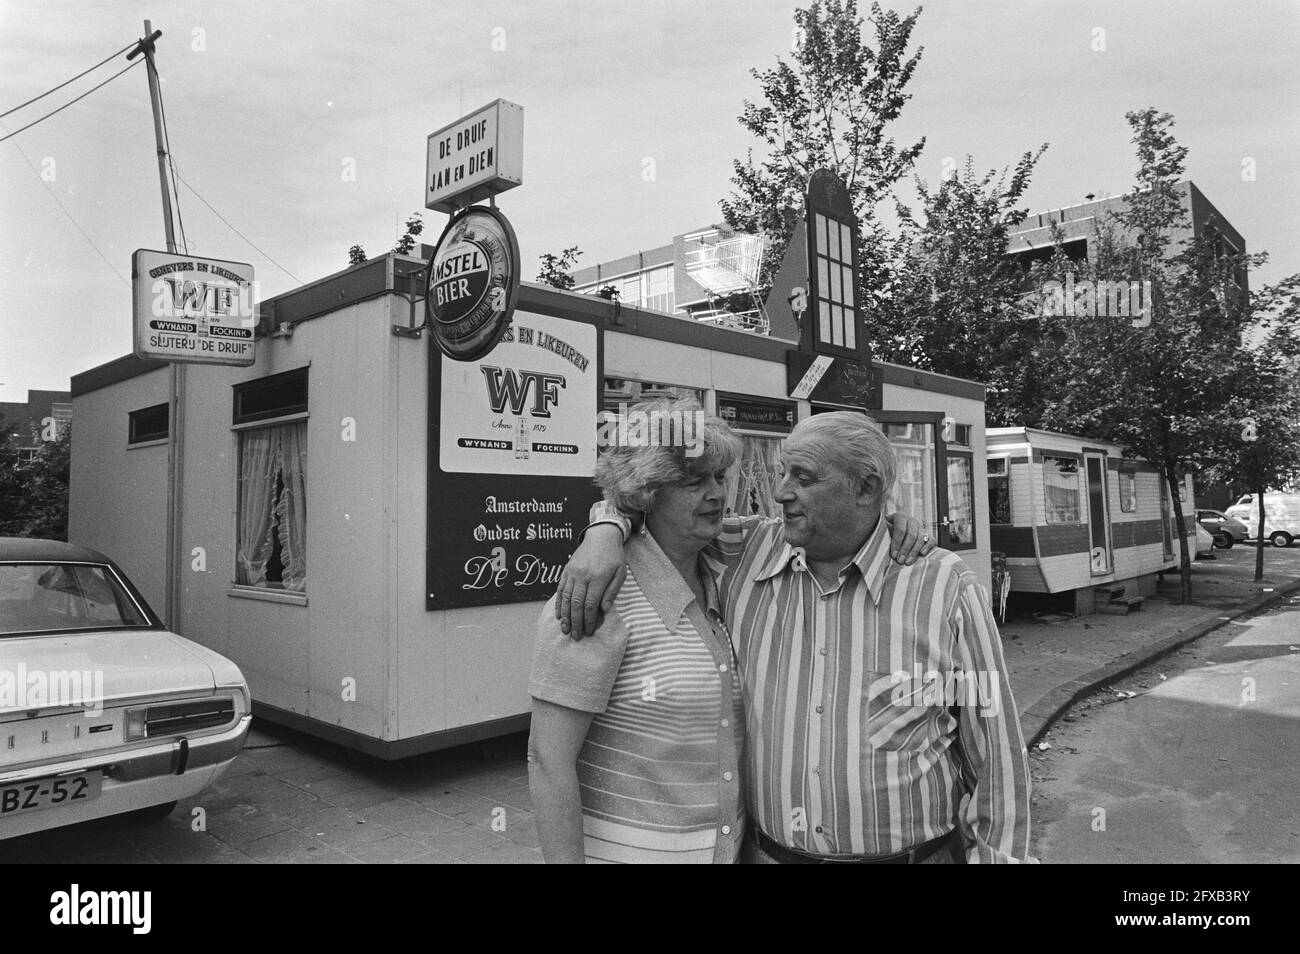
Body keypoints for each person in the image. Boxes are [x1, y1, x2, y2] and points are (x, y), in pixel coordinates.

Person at [558, 410, 1033, 863]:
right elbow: (658, 509)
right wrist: (604, 527)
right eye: (781, 473)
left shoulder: (945, 587)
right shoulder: (745, 552)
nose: (781, 493)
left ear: (867, 489)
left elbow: (998, 760)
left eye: (802, 479)